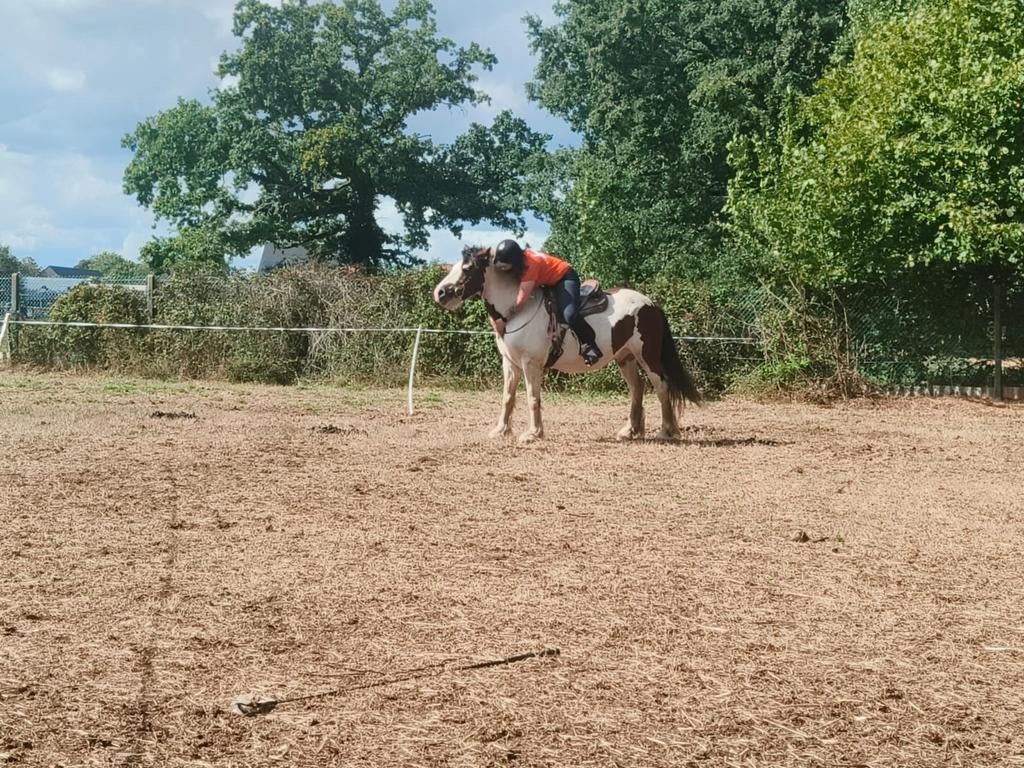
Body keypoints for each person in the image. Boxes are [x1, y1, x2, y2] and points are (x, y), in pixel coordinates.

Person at [492, 239, 602, 365]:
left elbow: (521, 301)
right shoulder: (519, 261)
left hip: (565, 277)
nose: (503, 269)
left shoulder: (530, 266)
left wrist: (503, 317)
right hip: (548, 282)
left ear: (514, 262)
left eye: (505, 266)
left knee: (569, 314)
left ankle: (590, 345)